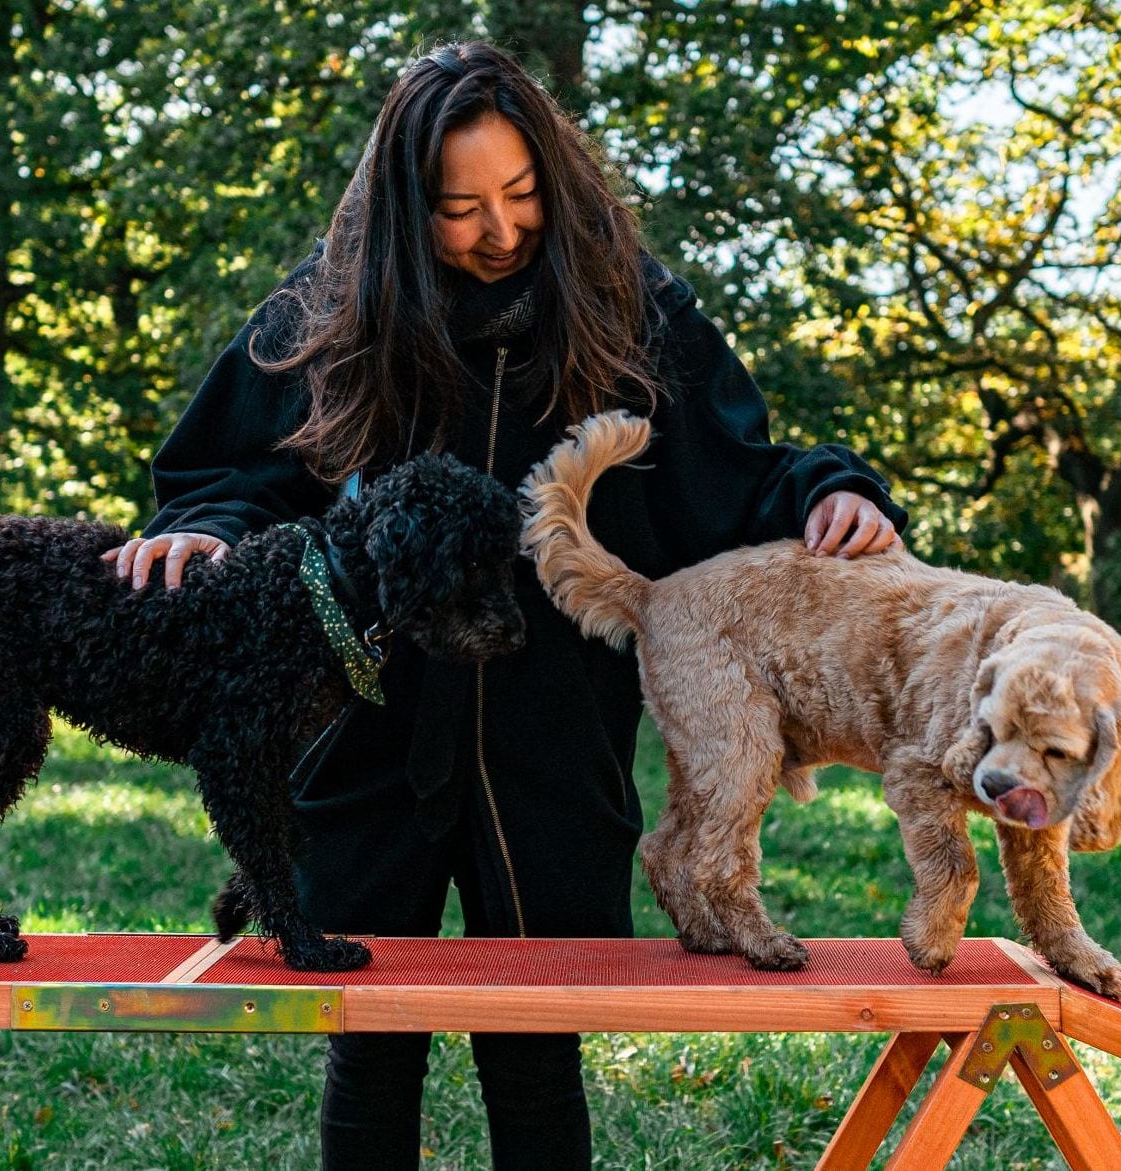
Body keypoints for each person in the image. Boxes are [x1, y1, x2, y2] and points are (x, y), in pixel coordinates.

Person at [101, 41, 908, 1171]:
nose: (499, 230)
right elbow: (233, 472)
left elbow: (736, 474)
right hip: (360, 723)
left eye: (521, 195)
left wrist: (836, 495)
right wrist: (206, 527)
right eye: (460, 207)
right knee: (369, 1038)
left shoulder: (633, 309)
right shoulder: (329, 308)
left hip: (553, 728)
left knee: (533, 1043)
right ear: (403, 205)